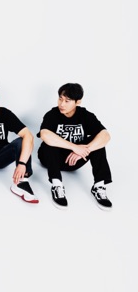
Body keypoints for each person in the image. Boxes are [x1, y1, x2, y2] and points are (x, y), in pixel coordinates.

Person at [37, 82, 112, 210]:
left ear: (78, 102)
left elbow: (106, 136)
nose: (62, 104)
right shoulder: (52, 114)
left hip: (75, 160)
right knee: (50, 142)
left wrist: (84, 150)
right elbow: (44, 134)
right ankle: (57, 185)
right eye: (60, 99)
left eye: (67, 101)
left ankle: (99, 186)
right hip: (51, 159)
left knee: (97, 142)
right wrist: (74, 147)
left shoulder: (85, 115)